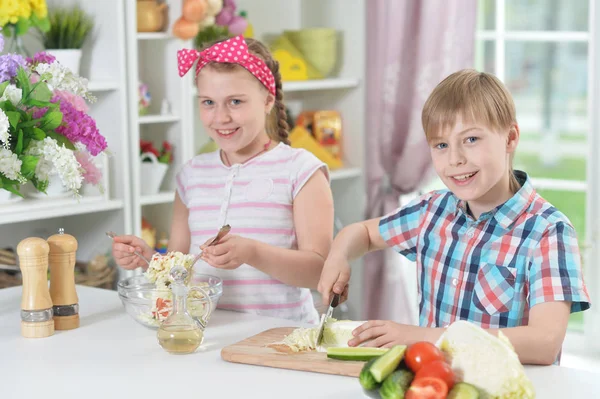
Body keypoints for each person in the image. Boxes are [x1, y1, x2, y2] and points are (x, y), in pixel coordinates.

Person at [317, 69, 591, 365]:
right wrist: (339, 254)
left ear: (510, 138)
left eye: (471, 139)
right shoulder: (432, 212)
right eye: (441, 145)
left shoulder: (548, 231)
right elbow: (365, 233)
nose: (455, 159)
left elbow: (545, 343)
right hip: (433, 384)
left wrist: (423, 336)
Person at [113, 35, 333, 324]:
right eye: (208, 102)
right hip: (205, 333)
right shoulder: (191, 175)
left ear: (267, 100)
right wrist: (148, 259)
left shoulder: (301, 170)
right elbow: (181, 269)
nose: (221, 117)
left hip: (282, 338)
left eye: (236, 102)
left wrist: (253, 252)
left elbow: (320, 272)